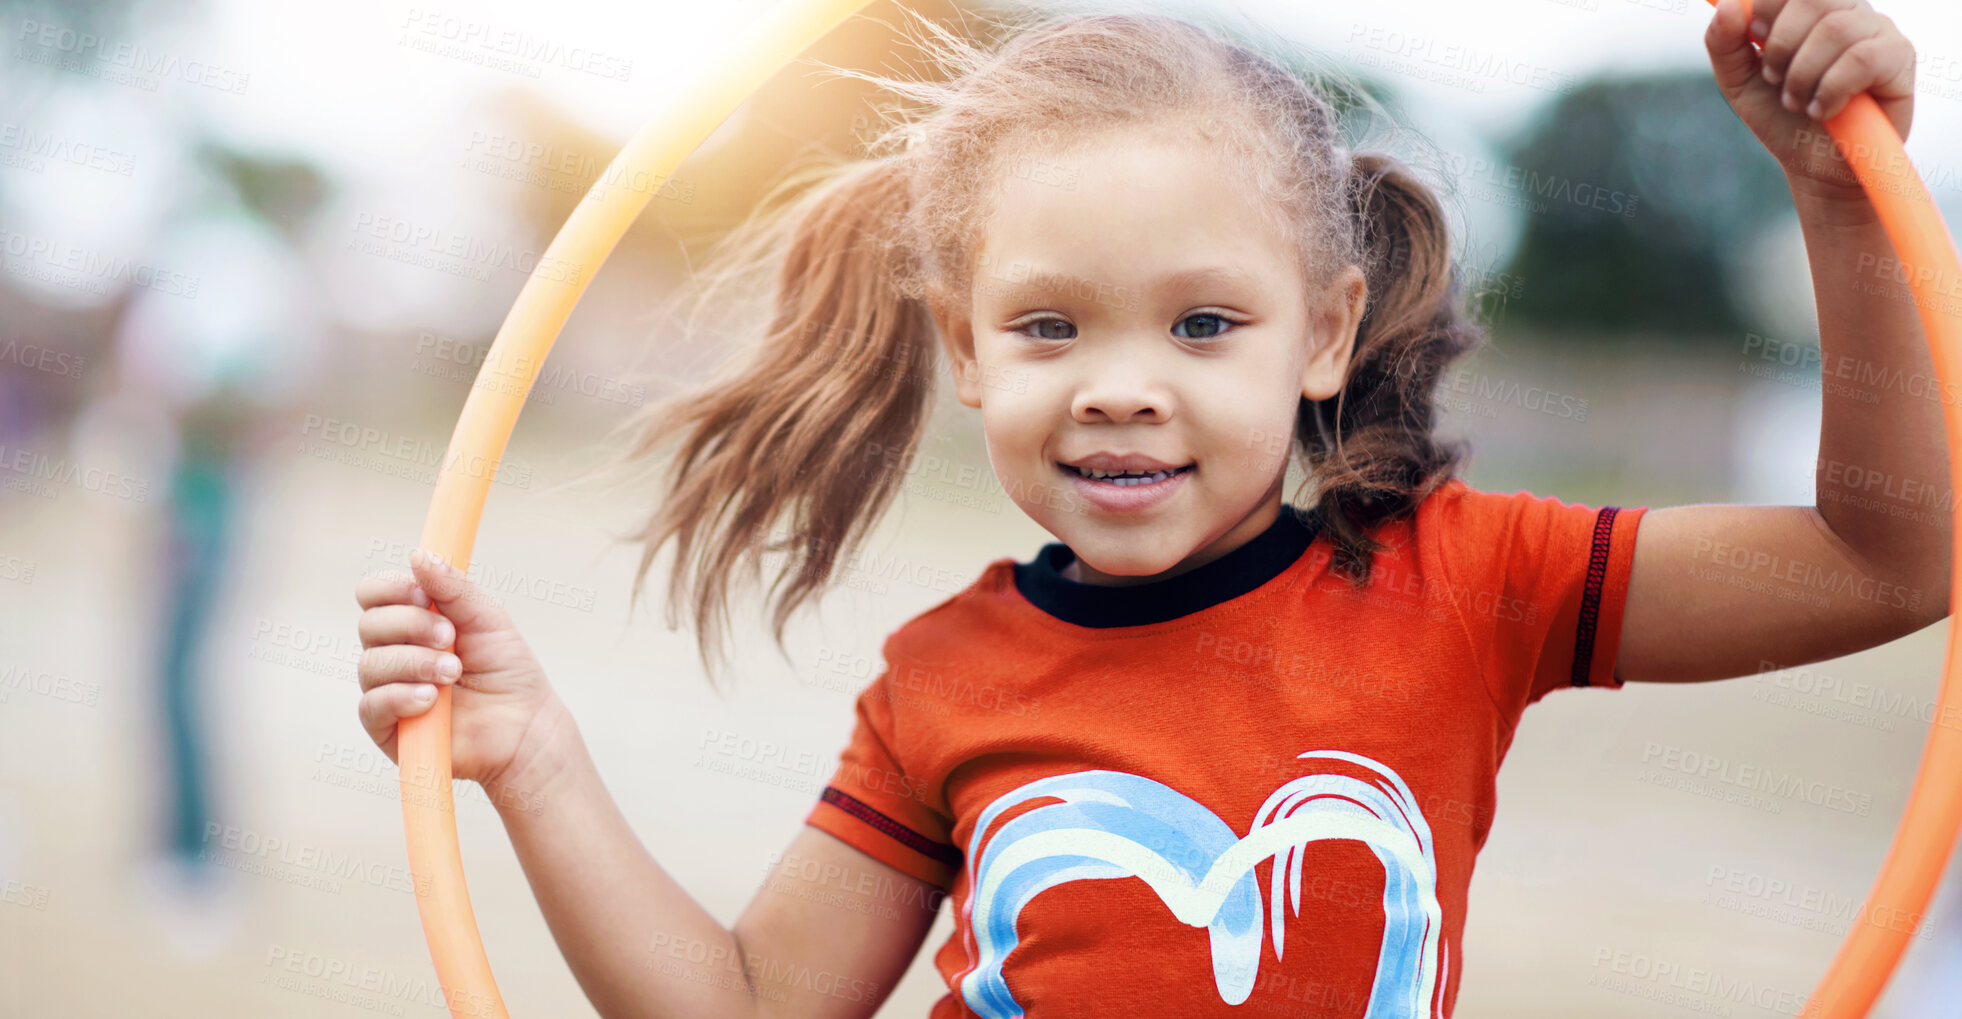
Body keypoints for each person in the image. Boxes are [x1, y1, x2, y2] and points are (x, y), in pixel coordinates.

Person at [352, 2, 1944, 1015]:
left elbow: (1891, 557)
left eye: (1202, 325)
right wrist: (532, 757)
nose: (1120, 386)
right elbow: (755, 1006)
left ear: (1321, 331)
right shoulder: (944, 679)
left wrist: (1830, 198)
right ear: (966, 348)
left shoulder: (1467, 579)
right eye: (1048, 326)